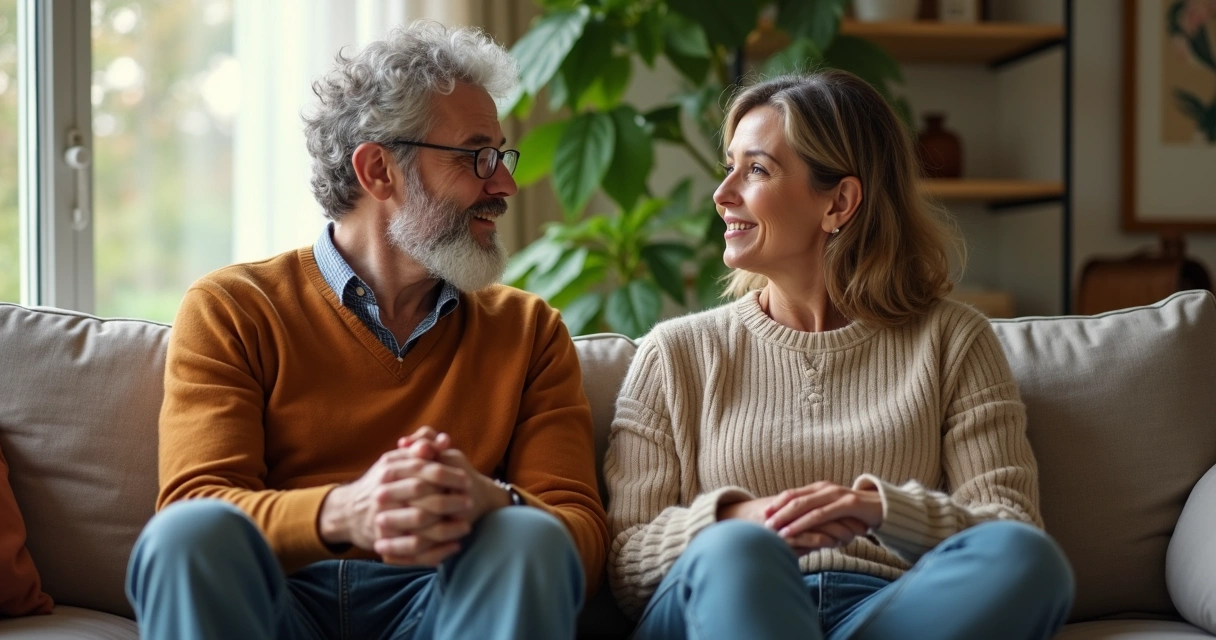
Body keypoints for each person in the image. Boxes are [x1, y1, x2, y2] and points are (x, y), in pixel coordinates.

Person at [125, 21, 607, 640]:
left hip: (449, 606)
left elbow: (583, 541)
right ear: (379, 170)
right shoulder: (233, 308)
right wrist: (345, 511)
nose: (506, 184)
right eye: (477, 156)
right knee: (189, 534)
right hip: (276, 606)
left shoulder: (529, 331)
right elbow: (197, 505)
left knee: (527, 533)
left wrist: (492, 502)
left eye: (501, 156)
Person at [604, 70, 1075, 640]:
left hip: (887, 614)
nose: (722, 193)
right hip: (726, 603)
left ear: (840, 202)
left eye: (755, 169)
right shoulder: (674, 354)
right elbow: (627, 564)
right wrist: (740, 520)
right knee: (738, 553)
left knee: (1029, 560)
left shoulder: (954, 340)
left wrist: (879, 511)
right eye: (729, 166)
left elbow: (1009, 524)